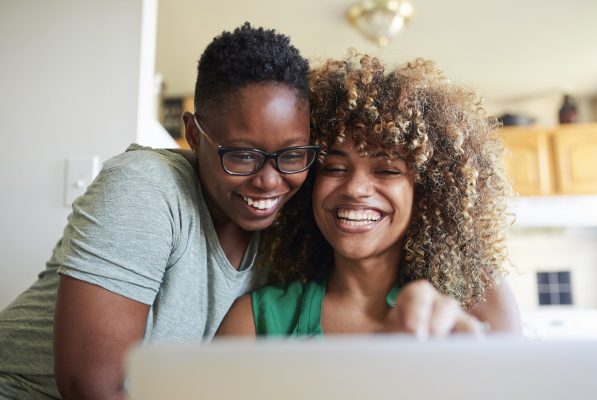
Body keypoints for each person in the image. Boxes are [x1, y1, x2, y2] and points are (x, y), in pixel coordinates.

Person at [0, 23, 316, 399]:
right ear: (195, 135)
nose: (269, 181)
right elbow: (90, 390)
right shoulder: (145, 187)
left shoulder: (287, 229)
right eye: (242, 155)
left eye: (292, 155)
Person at [217, 53, 522, 337]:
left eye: (387, 170)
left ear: (428, 191)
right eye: (335, 168)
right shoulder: (255, 322)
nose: (354, 188)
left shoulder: (479, 299)